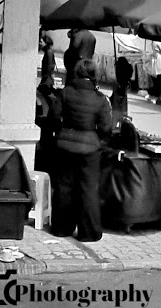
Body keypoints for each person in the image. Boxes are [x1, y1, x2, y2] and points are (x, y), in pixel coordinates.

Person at [49, 58, 113, 242]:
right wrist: (97, 138)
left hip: (65, 145)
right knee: (88, 190)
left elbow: (54, 116)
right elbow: (106, 127)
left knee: (64, 187)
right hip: (89, 147)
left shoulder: (66, 92)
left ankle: (61, 228)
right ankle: (88, 233)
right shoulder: (100, 99)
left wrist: (60, 132)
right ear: (94, 75)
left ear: (77, 73)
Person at [110, 54, 134, 119]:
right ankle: (123, 113)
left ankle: (115, 111)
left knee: (116, 98)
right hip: (125, 84)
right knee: (123, 99)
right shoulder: (128, 68)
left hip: (119, 83)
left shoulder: (118, 67)